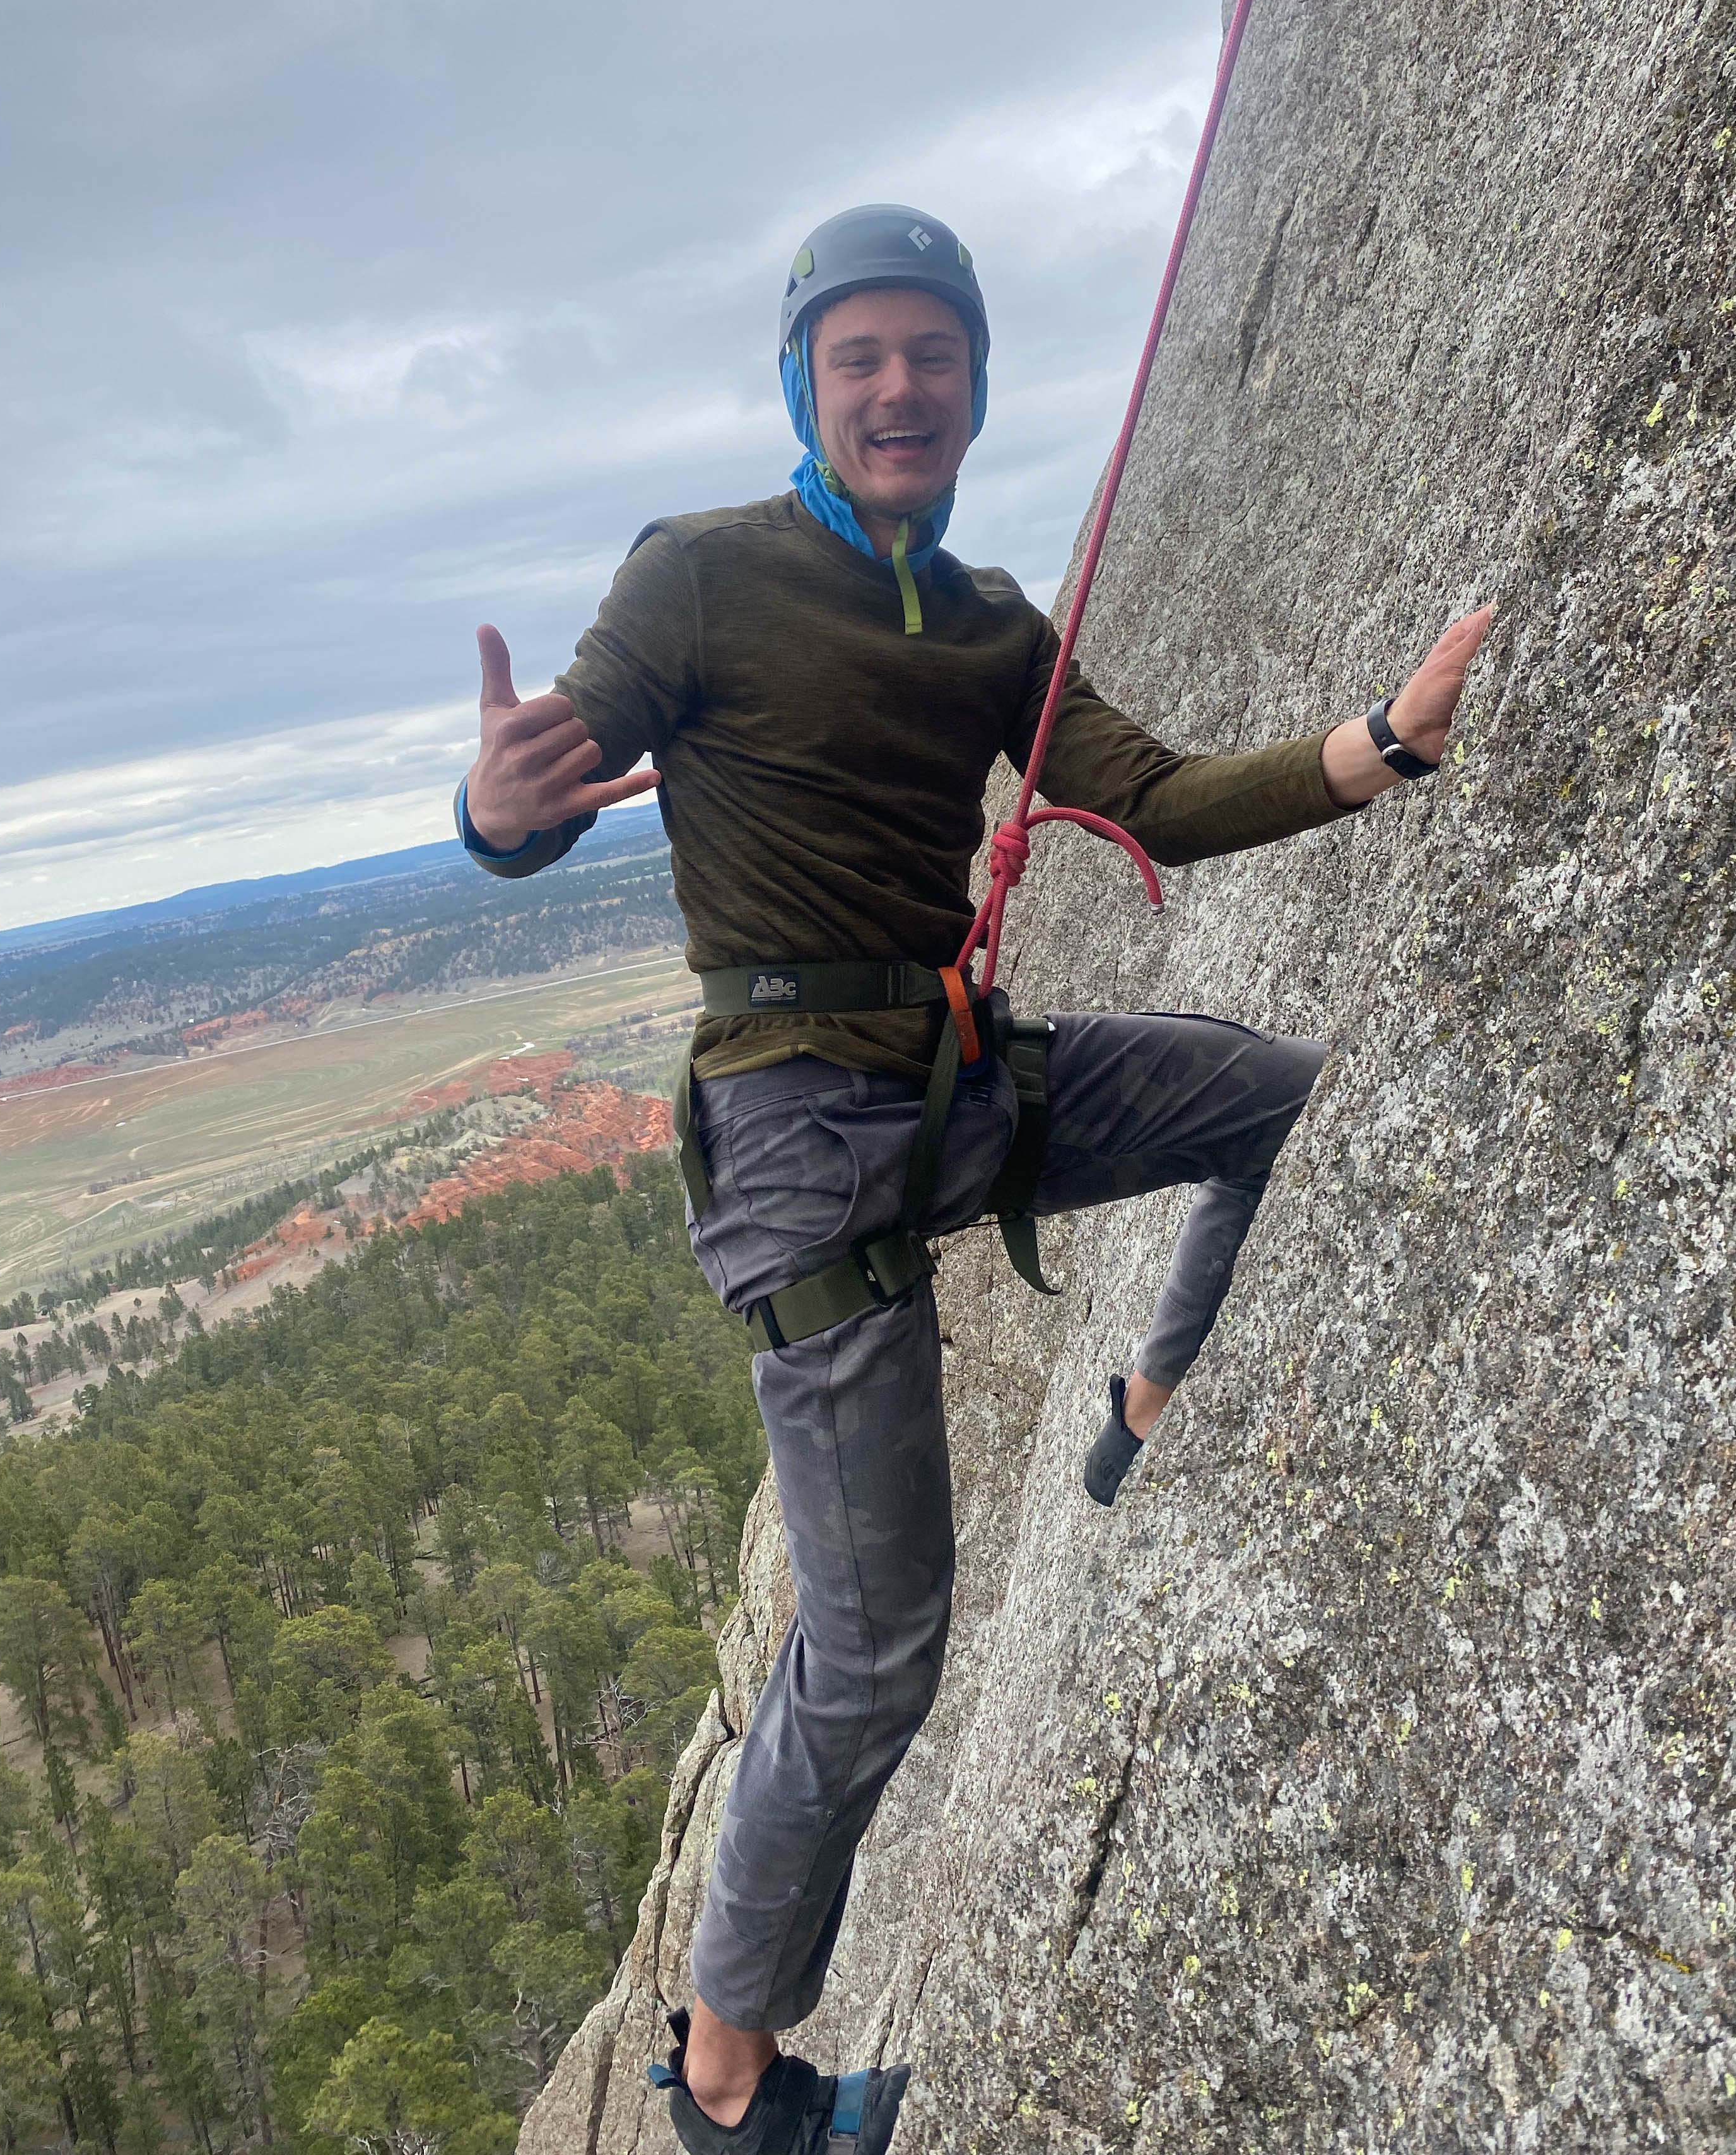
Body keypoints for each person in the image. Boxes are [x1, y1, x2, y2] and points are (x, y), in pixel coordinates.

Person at [456, 205, 1492, 2154]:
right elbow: (553, 765)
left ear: (974, 386)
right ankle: (729, 2081)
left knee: (1271, 1098)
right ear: (804, 387)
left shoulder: (1001, 623)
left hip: (948, 1093)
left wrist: (1375, 749)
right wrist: (493, 816)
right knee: (874, 1648)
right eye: (858, 355)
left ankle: (1144, 1395)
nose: (899, 385)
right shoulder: (699, 580)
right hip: (798, 1141)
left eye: (933, 352)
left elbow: (1156, 794)